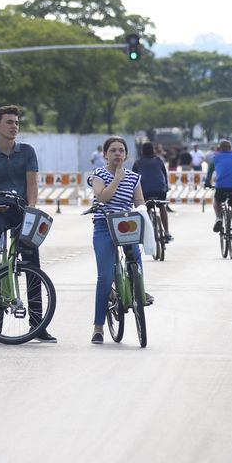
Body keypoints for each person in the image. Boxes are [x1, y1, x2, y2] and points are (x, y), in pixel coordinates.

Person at [0, 105, 54, 343]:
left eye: (17, 122)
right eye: (9, 122)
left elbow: (32, 185)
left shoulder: (27, 151)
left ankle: (37, 324)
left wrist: (31, 210)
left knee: (32, 263)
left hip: (21, 210)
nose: (14, 126)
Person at [86, 136, 146, 344]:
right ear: (105, 154)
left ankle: (140, 291)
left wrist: (143, 211)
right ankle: (98, 327)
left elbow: (138, 202)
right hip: (104, 224)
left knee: (136, 261)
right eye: (113, 150)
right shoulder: (98, 175)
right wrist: (117, 179)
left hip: (126, 225)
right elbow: (102, 197)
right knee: (104, 276)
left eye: (121, 150)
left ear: (127, 155)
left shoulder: (134, 177)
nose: (117, 154)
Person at [206, 139, 232, 249]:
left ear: (220, 148)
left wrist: (207, 183)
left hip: (221, 186)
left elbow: (209, 173)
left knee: (217, 201)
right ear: (231, 147)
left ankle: (218, 217)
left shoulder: (215, 158)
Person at [132, 141, 172, 243]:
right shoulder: (159, 160)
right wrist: (166, 187)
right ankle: (167, 232)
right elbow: (164, 175)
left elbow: (133, 179)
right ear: (153, 150)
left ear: (142, 151)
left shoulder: (137, 163)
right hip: (160, 190)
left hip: (144, 192)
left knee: (143, 209)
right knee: (162, 206)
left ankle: (145, 233)